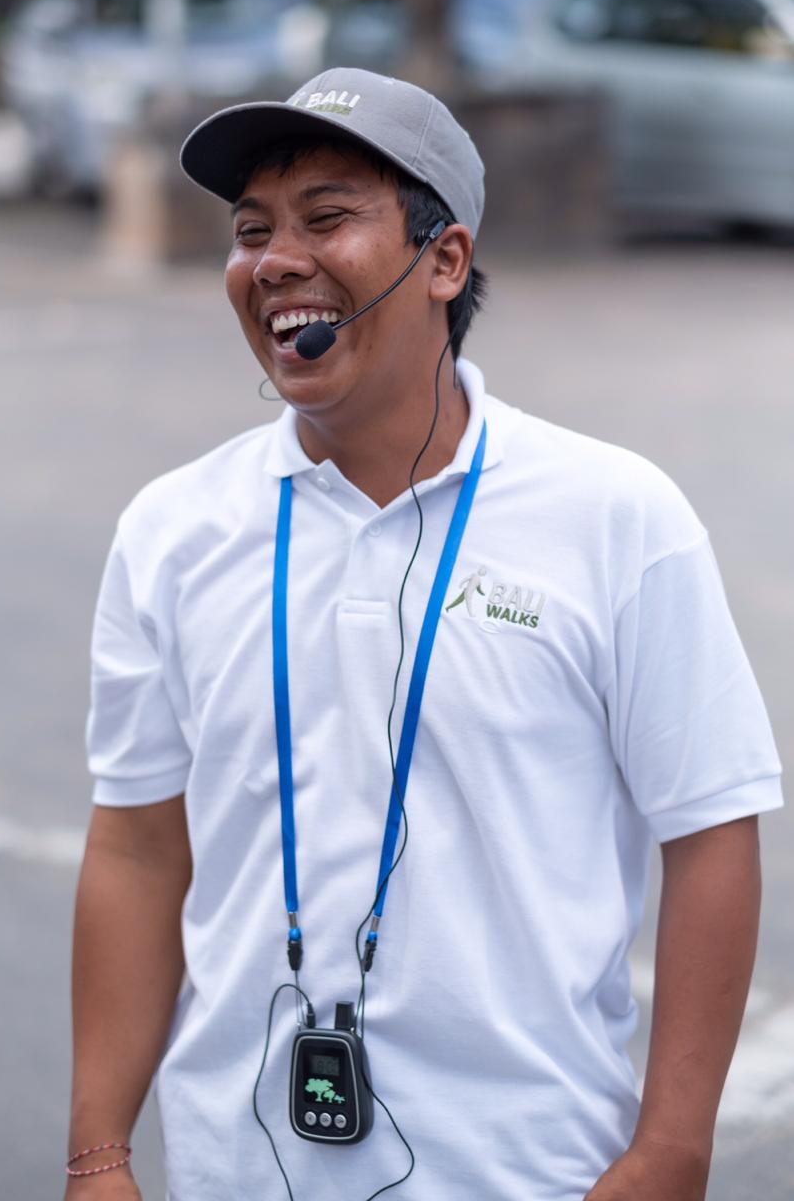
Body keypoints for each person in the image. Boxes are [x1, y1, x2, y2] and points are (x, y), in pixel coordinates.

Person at [65, 68, 783, 1201]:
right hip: (236, 1170)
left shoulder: (613, 515)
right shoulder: (173, 530)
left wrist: (671, 1151)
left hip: (534, 1169)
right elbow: (139, 849)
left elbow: (708, 829)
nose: (276, 260)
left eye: (326, 217)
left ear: (443, 260)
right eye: (251, 231)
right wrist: (98, 1152)